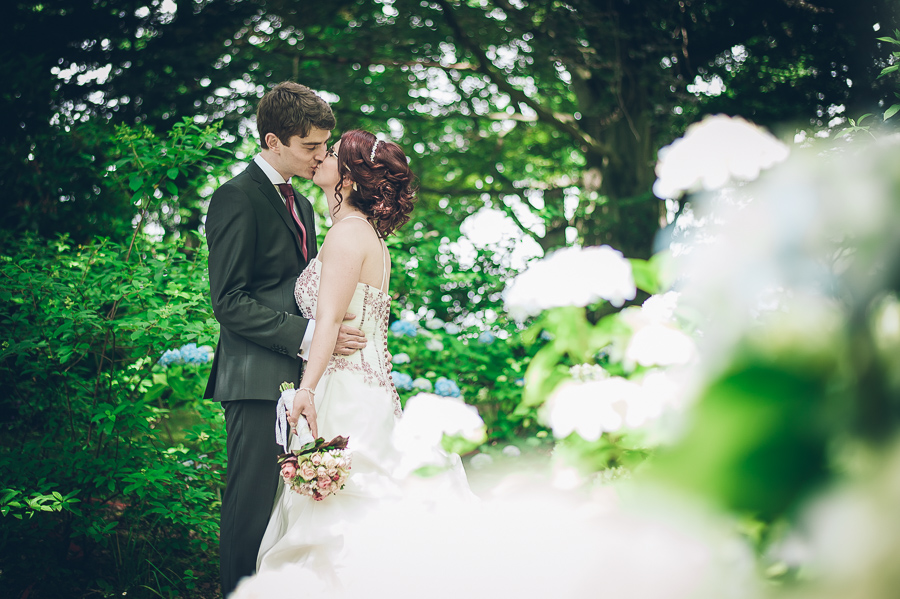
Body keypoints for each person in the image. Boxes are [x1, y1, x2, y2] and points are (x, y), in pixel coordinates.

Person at [204, 82, 366, 596]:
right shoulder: (235, 196)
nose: (322, 156)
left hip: (300, 381)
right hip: (254, 379)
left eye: (325, 145)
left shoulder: (304, 203)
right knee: (250, 510)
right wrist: (311, 333)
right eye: (310, 147)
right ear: (274, 141)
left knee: (286, 515)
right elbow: (228, 301)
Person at [253, 129, 422, 582]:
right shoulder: (360, 234)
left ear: (347, 175)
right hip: (363, 386)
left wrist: (305, 390)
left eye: (330, 153)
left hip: (346, 393)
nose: (320, 157)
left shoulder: (349, 235)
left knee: (338, 525)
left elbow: (327, 321)